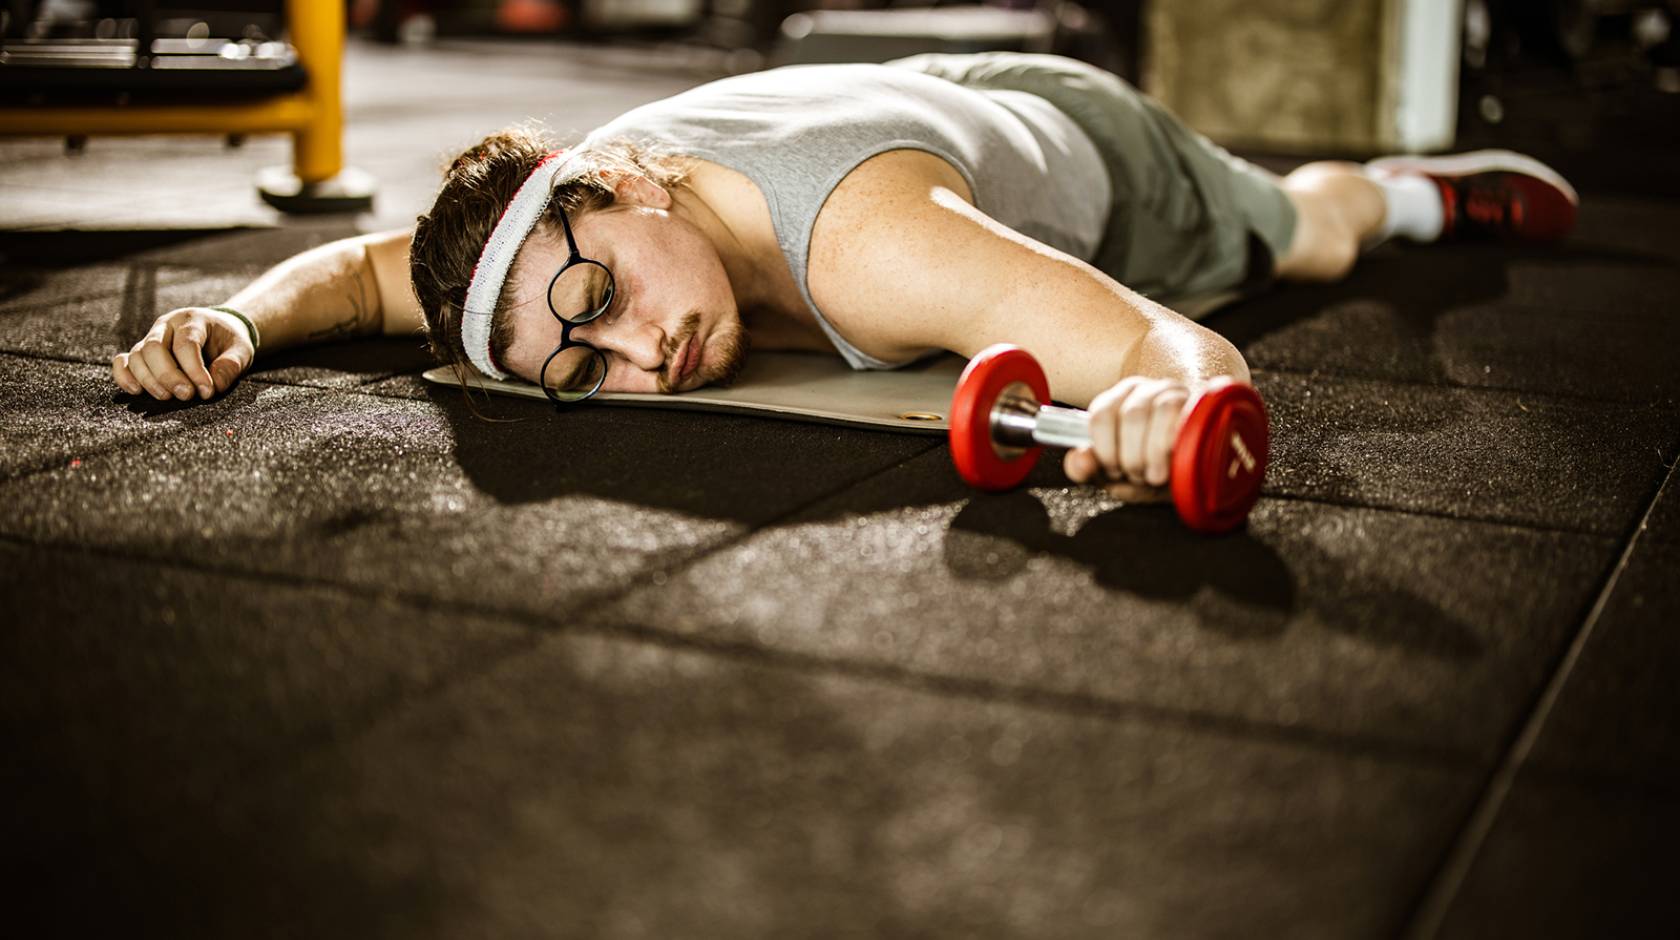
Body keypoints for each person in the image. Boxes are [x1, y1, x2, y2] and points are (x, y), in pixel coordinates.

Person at [109, 52, 1577, 499]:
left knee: (1302, 239)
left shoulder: (873, 251)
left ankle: (1400, 193)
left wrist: (1163, 413)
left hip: (1101, 156)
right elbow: (377, 275)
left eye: (600, 304)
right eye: (585, 370)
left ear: (621, 187)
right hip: (925, 98)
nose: (638, 357)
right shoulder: (560, 226)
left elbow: (1165, 345)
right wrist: (241, 316)